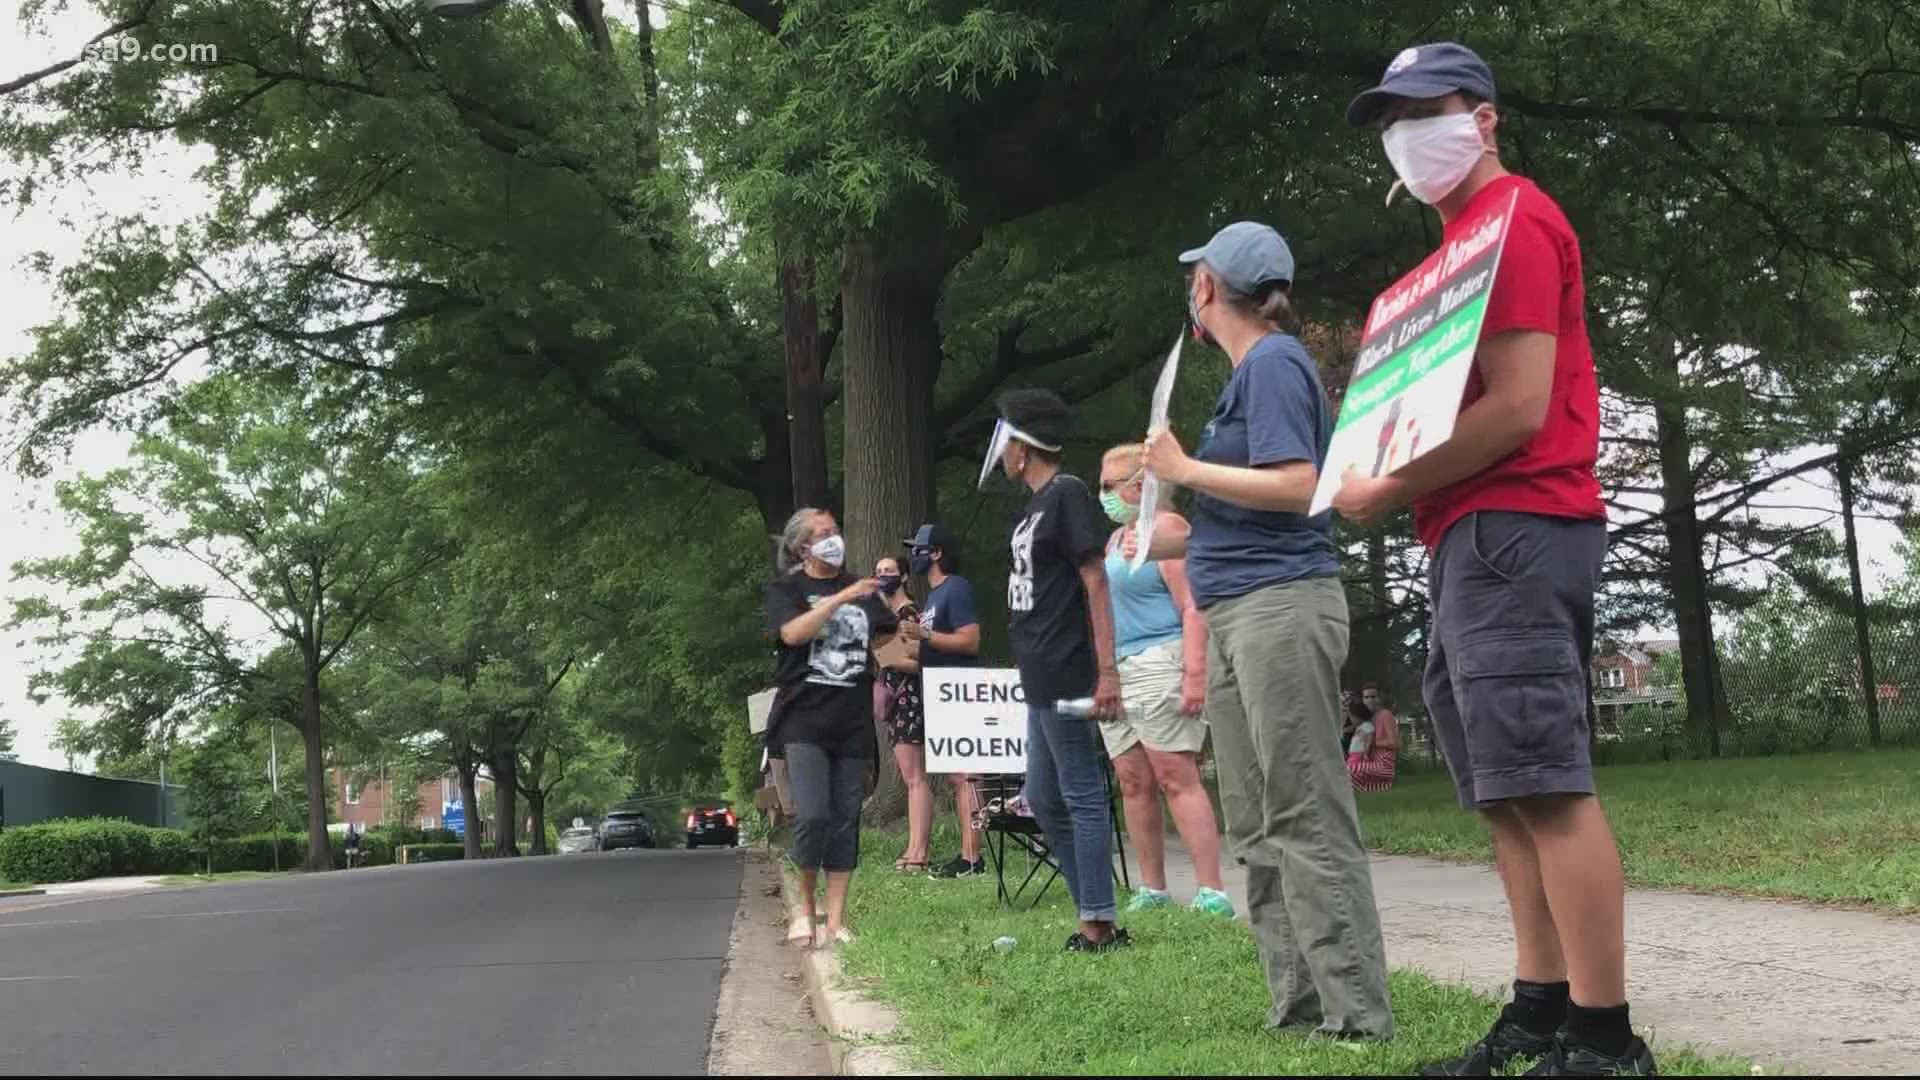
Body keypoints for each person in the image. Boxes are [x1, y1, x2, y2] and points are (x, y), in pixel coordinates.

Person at [1337, 42, 1651, 1076]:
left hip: (1518, 524)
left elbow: (1519, 407)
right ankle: (1542, 1007)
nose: (1411, 129)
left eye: (1432, 106)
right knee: (1507, 788)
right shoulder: (1449, 255)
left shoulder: (1513, 220)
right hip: (1472, 537)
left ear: (1485, 117)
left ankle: (1604, 1039)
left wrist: (1389, 483)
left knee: (1547, 785)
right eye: (1395, 113)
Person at [1141, 222, 1394, 1039]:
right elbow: (1239, 504)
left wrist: (1182, 472)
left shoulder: (1277, 363)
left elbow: (1298, 484)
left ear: (1209, 288)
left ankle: (1355, 1014)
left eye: (1194, 277)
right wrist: (1156, 524)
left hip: (1280, 607)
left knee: (1306, 811)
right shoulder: (1244, 381)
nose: (1191, 291)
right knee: (1253, 820)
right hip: (1235, 611)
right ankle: (1299, 1004)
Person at [991, 387, 1129, 952]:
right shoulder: (1033, 507)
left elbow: (1095, 581)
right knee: (1043, 797)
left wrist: (1108, 672)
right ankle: (1090, 907)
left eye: (1006, 442)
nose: (1000, 453)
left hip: (1068, 666)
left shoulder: (1067, 494)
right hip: (1039, 673)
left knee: (1080, 791)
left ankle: (1097, 924)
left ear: (1023, 449)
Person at [1096, 443, 1233, 917]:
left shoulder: (1169, 529)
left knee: (1176, 775)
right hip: (1123, 666)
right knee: (1132, 780)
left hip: (1163, 658)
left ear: (1141, 485)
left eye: (1109, 485)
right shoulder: (1116, 540)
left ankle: (1211, 889)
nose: (1103, 494)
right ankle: (1152, 887)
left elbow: (1192, 605)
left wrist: (1196, 673)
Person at [764, 507, 901, 948]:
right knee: (812, 815)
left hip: (852, 719)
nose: (833, 539)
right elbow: (793, 635)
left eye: (836, 531)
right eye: (823, 533)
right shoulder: (788, 589)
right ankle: (806, 910)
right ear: (803, 546)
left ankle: (837, 920)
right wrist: (841, 600)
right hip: (804, 719)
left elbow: (884, 634)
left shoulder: (860, 587)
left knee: (845, 819)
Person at [900, 523, 988, 879]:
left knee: (968, 776)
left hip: (961, 689)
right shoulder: (935, 596)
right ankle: (967, 854)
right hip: (941, 690)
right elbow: (935, 644)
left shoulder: (957, 588)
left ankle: (973, 858)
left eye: (917, 549)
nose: (912, 555)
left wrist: (924, 634)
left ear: (936, 553)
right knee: (957, 776)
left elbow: (970, 641)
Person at [872, 554, 932, 873]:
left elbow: (921, 660)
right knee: (909, 778)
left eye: (890, 571)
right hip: (896, 700)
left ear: (904, 577)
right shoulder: (886, 615)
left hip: (910, 698)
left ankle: (920, 852)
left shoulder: (909, 613)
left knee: (915, 777)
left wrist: (886, 656)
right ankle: (912, 847)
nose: (883, 576)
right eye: (879, 572)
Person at [1345, 696, 1399, 794]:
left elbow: (1394, 743)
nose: (1370, 700)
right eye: (1366, 697)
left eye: (1374, 696)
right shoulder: (1368, 723)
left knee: (1347, 770)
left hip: (1382, 766)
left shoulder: (1384, 715)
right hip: (1364, 760)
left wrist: (1371, 744)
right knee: (1344, 770)